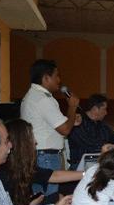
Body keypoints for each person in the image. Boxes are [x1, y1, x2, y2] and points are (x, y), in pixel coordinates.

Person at [0, 119, 84, 205]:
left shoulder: (21, 166)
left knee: (59, 197)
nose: (36, 142)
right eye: (32, 138)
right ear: (22, 143)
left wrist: (86, 174)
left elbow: (52, 175)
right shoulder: (2, 174)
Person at [21, 59, 80, 195]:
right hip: (46, 157)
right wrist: (72, 107)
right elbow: (65, 129)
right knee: (49, 199)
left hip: (41, 155)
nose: (59, 80)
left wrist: (71, 120)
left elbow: (55, 124)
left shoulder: (34, 96)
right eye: (56, 76)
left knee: (46, 199)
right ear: (46, 78)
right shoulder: (43, 99)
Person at [68, 94, 114, 169]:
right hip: (81, 165)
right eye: (104, 109)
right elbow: (91, 146)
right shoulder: (77, 123)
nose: (106, 112)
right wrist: (113, 148)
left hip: (100, 161)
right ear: (95, 109)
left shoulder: (101, 124)